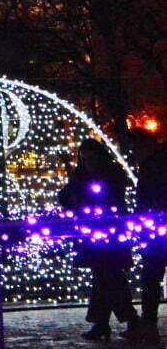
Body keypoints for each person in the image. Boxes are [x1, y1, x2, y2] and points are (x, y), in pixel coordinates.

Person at [61, 137, 143, 341]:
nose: (86, 160)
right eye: (84, 156)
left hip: (110, 233)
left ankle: (122, 320)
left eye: (89, 155)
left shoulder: (110, 173)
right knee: (105, 276)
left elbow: (111, 197)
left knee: (108, 277)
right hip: (91, 232)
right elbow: (67, 197)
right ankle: (109, 322)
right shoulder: (81, 174)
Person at [130, 130, 167, 344]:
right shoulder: (154, 163)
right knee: (151, 278)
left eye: (136, 148)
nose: (135, 154)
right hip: (154, 228)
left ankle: (149, 326)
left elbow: (148, 197)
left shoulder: (153, 166)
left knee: (151, 278)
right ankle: (148, 325)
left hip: (156, 230)